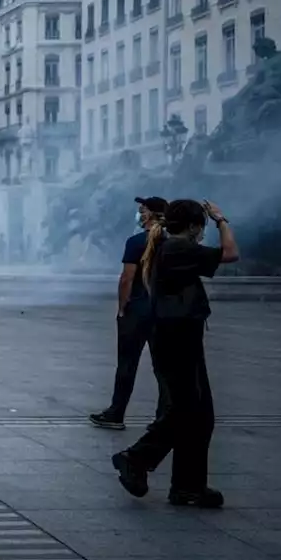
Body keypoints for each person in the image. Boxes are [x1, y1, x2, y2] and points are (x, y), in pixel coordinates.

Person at [112, 199, 238, 508]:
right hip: (176, 337)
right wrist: (222, 220)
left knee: (198, 415)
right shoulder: (179, 247)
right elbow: (231, 254)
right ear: (195, 226)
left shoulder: (168, 245)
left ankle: (188, 486)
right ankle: (136, 458)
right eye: (203, 226)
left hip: (179, 336)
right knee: (186, 411)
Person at [90, 196, 172, 430]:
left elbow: (127, 278)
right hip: (164, 312)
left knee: (127, 364)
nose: (139, 215)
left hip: (137, 310)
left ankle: (116, 414)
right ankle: (163, 417)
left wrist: (122, 307)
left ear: (151, 215)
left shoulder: (137, 242)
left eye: (142, 211)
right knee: (162, 367)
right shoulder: (172, 243)